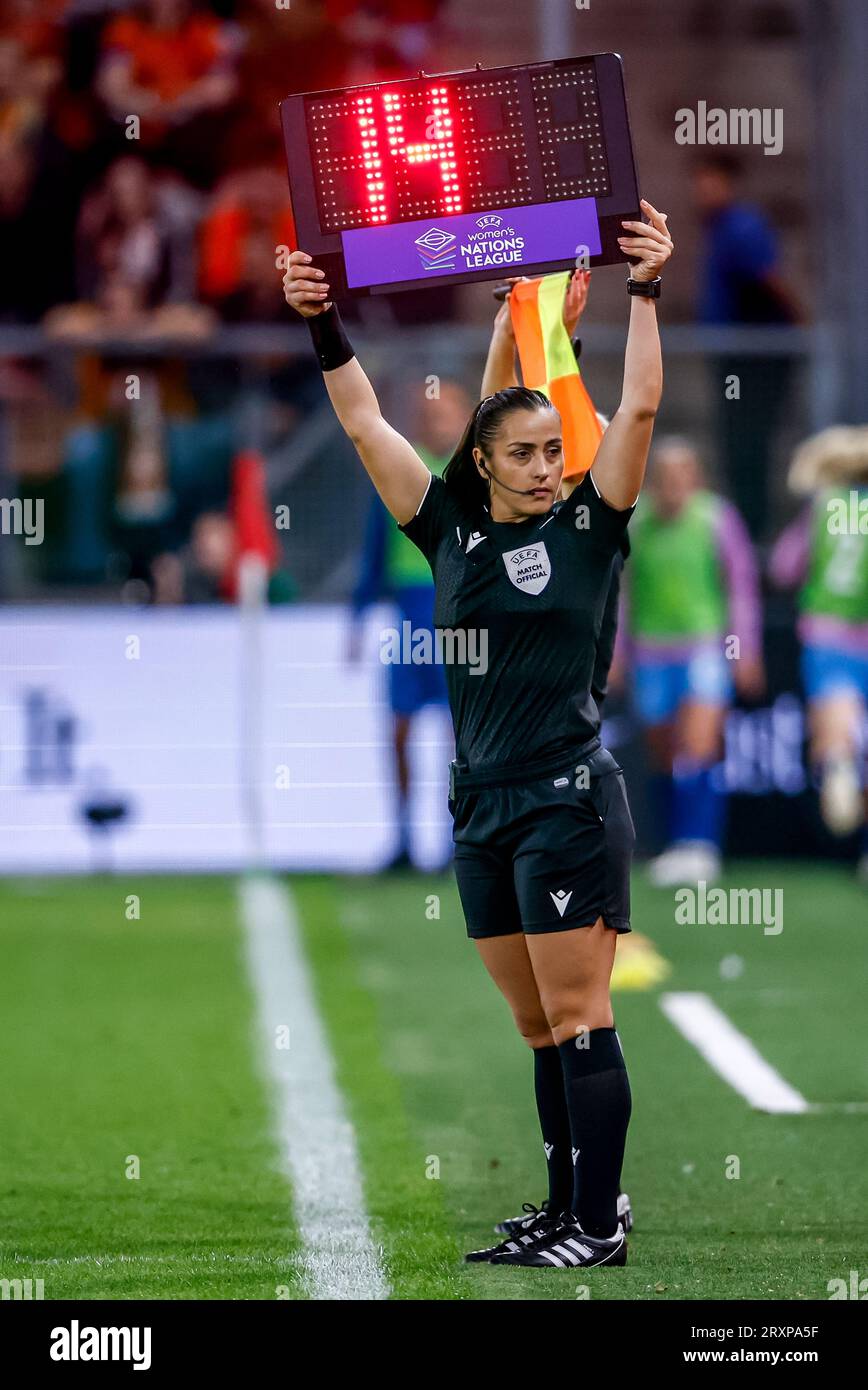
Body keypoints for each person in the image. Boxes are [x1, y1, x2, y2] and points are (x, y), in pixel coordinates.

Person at [284, 197, 673, 1268]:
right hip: (481, 805)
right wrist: (322, 320)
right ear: (485, 462)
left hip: (564, 800)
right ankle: (564, 1205)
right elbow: (364, 422)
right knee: (537, 1027)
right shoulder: (446, 528)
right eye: (529, 452)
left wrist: (644, 290)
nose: (551, 464)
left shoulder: (593, 527)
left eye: (555, 449)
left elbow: (637, 410)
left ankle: (598, 1223)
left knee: (582, 1012)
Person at [619, 436, 764, 886]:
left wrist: (745, 649)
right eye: (663, 477)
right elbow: (623, 594)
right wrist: (617, 652)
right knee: (662, 749)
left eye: (682, 476)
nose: (673, 486)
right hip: (651, 650)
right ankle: (671, 845)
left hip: (704, 647)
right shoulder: (636, 524)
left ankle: (700, 845)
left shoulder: (717, 520)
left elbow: (740, 588)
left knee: (699, 744)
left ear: (696, 478)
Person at [349, 380, 470, 870]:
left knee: (457, 734)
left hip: (460, 617)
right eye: (427, 414)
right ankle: (402, 837)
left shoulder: (474, 472)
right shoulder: (402, 467)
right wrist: (356, 619)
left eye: (443, 414)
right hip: (408, 617)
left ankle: (455, 841)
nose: (433, 422)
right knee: (398, 728)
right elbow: (374, 552)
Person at [769, 427, 868, 865]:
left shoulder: (823, 509)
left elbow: (783, 568)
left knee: (838, 738)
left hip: (828, 637)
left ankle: (838, 763)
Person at [694, 152, 803, 541]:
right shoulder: (717, 230)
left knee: (748, 447)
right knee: (737, 446)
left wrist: (795, 326)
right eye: (701, 182)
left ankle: (753, 538)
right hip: (734, 357)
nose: (705, 191)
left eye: (713, 181)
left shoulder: (742, 227)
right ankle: (744, 536)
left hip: (752, 359)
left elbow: (770, 280)